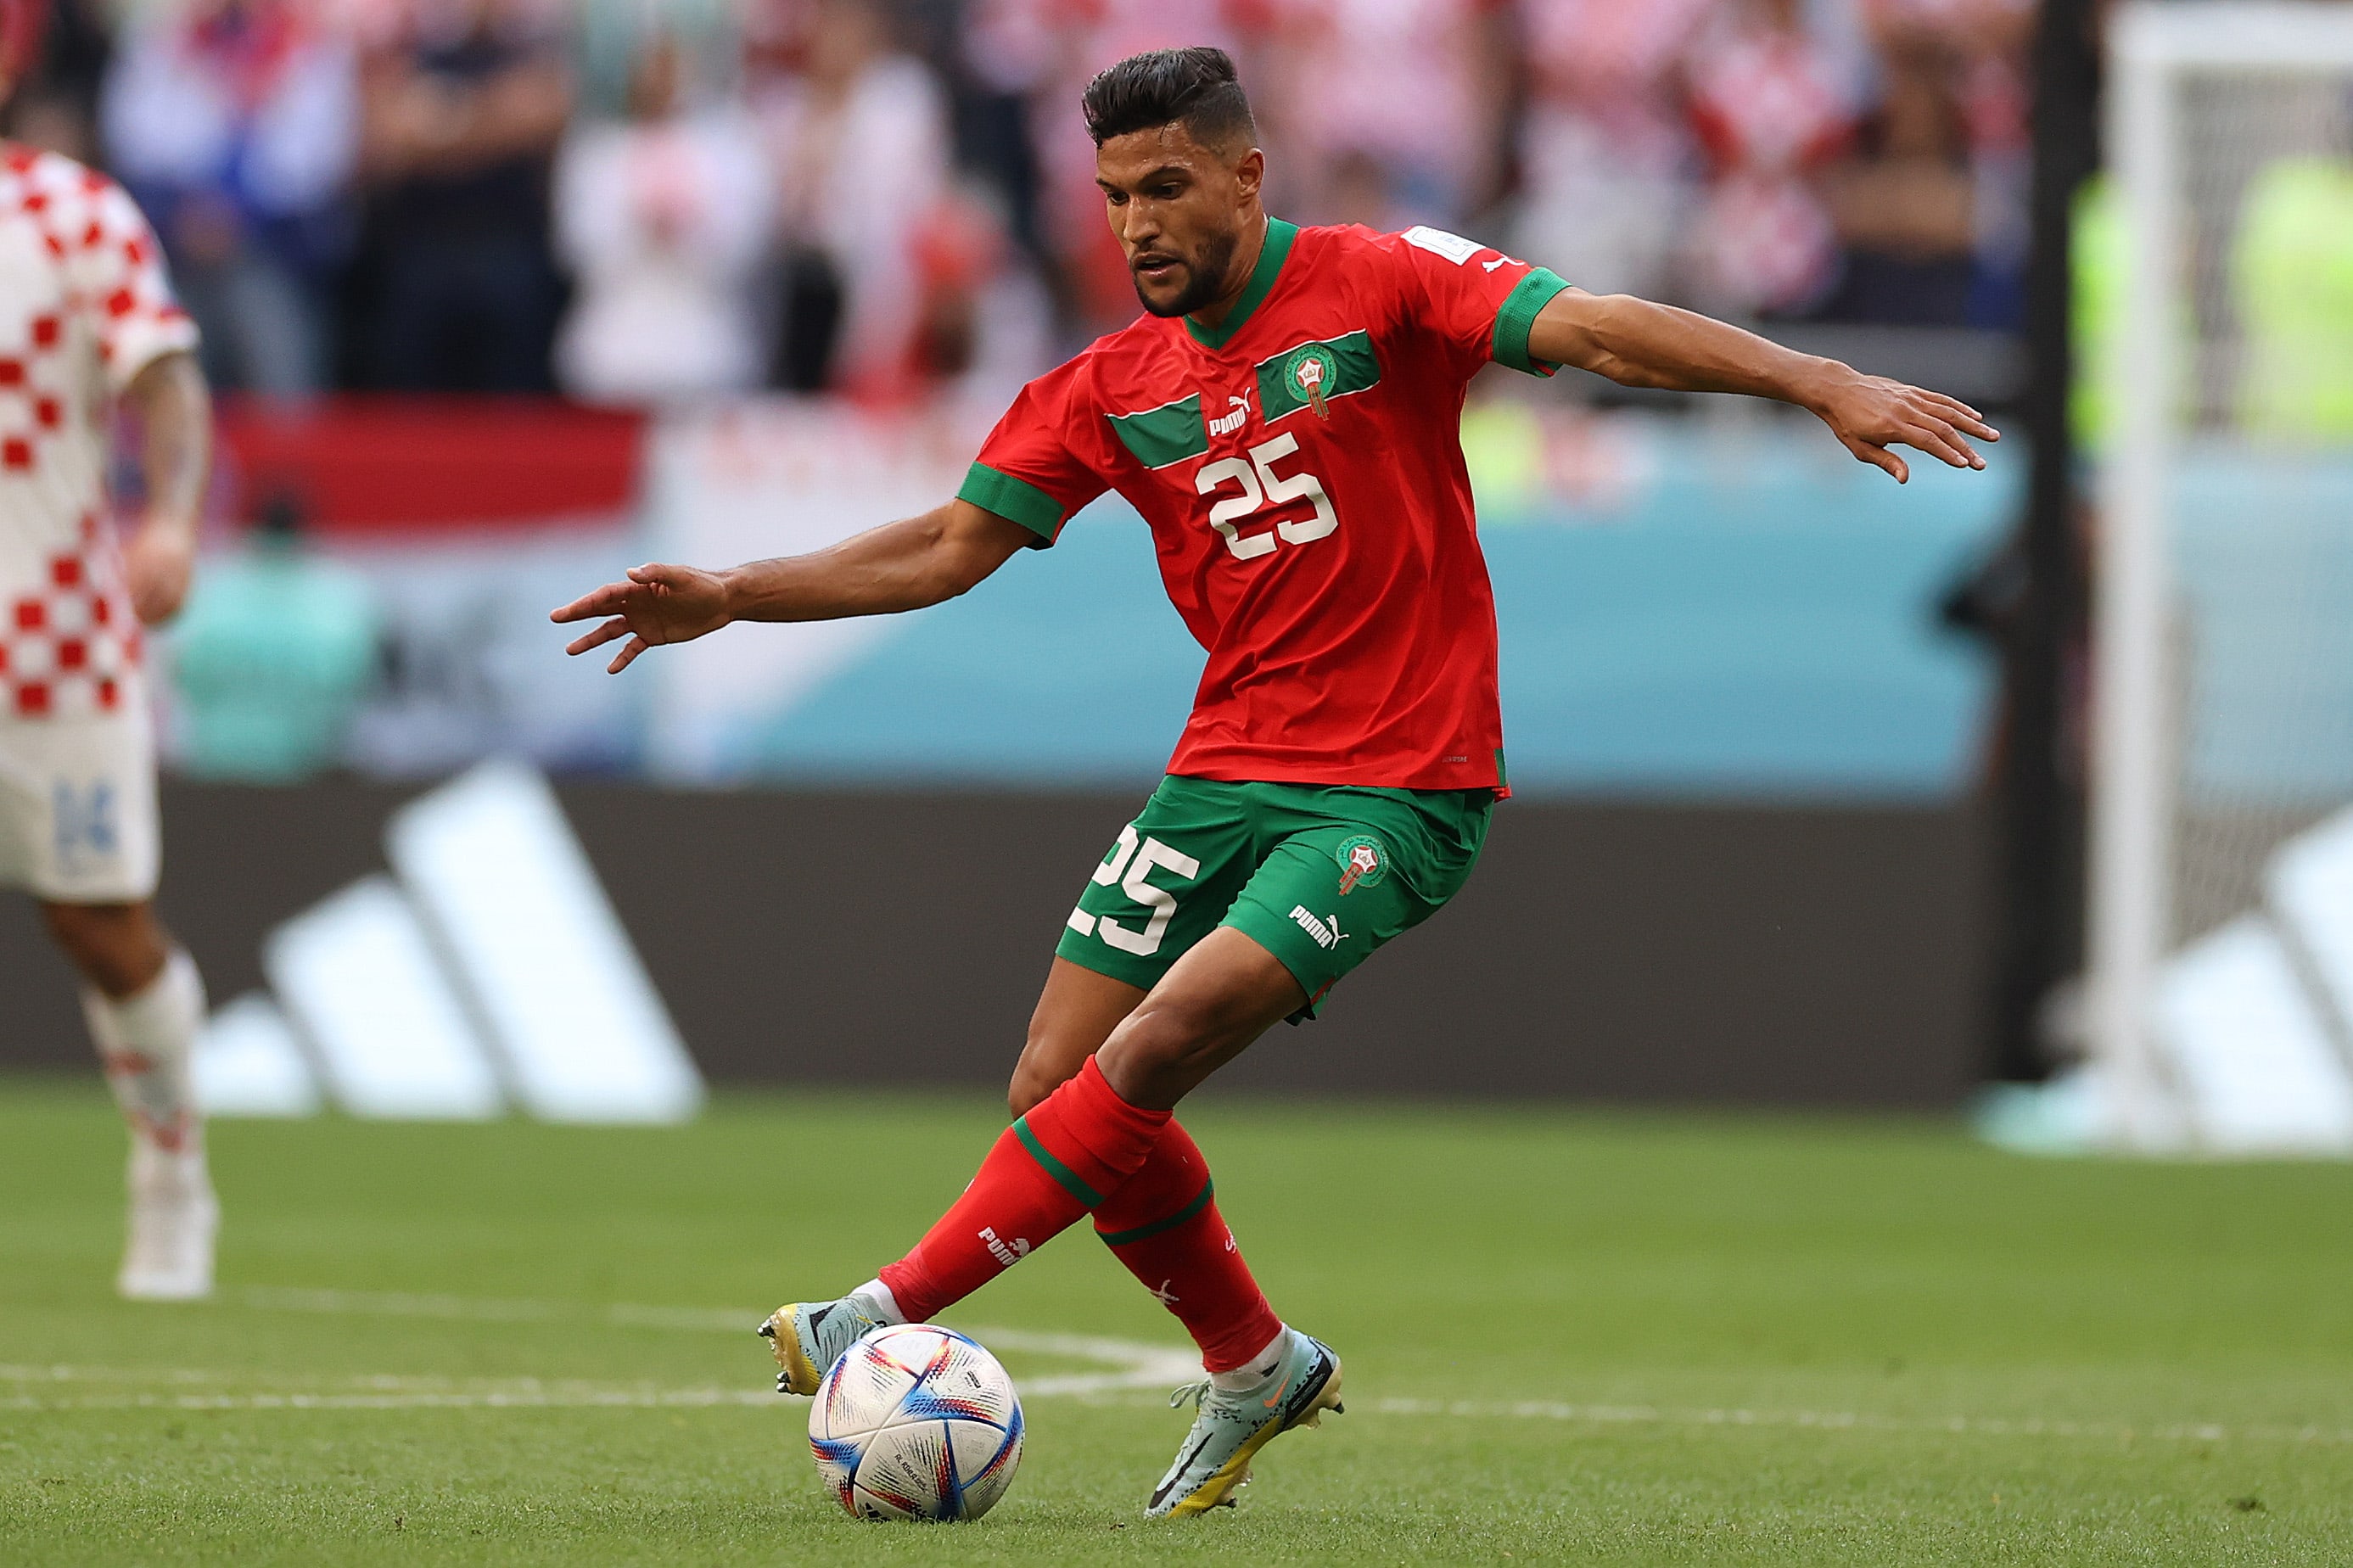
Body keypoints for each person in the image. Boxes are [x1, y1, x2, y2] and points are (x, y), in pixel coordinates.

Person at [552, 47, 1997, 1517]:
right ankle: (1253, 1366)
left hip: (1398, 786)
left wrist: (1817, 379)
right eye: (1115, 196)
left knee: (1158, 1043)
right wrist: (733, 593)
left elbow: (1600, 332)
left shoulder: (1384, 282)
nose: (1137, 223)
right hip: (1222, 771)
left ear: (1247, 176)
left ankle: (881, 1307)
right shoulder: (1103, 388)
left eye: (1166, 186)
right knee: (1052, 1084)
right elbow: (943, 548)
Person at [0, 3, 220, 1299]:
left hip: (52, 651)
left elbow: (166, 381)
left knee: (97, 926)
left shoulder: (71, 213)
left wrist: (174, 517)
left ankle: (172, 1169)